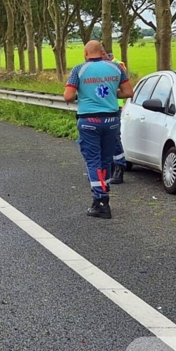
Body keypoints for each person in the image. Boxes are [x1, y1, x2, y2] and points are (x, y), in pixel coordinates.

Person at [64, 41, 133, 219]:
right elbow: (128, 92)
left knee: (93, 161)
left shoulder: (79, 69)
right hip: (111, 119)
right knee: (105, 160)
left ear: (85, 53)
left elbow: (68, 96)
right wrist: (110, 93)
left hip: (89, 121)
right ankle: (103, 198)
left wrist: (86, 93)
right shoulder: (116, 67)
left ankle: (101, 201)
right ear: (102, 52)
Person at [105, 50, 129, 184]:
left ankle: (119, 167)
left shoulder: (117, 65)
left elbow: (123, 85)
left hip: (115, 106)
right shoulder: (99, 65)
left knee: (114, 138)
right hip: (102, 106)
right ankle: (109, 168)